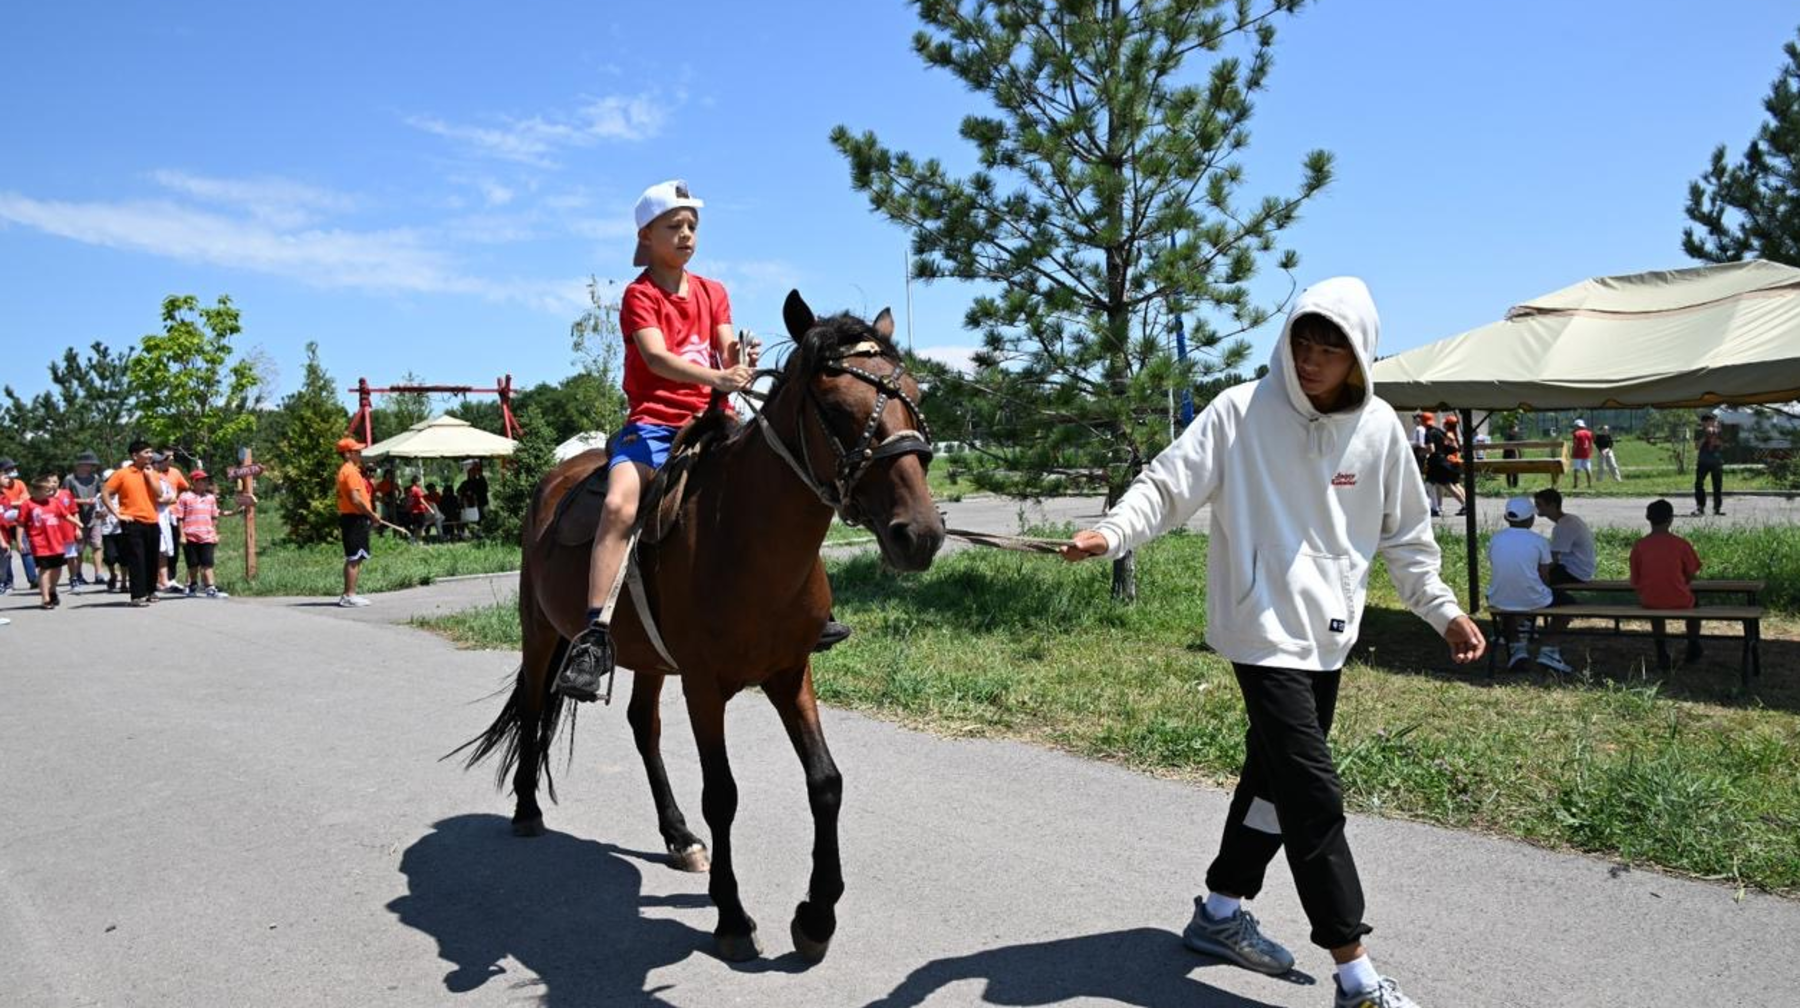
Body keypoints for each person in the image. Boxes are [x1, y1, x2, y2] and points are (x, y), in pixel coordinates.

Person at [1061, 277, 1485, 1008]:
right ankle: (1355, 975)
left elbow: (1407, 541)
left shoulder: (1380, 429)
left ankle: (1220, 910)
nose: (1313, 359)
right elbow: (1168, 485)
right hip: (1258, 629)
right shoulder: (1239, 411)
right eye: (1303, 342)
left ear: (1360, 357)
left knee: (1271, 784)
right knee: (1313, 794)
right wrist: (1113, 531)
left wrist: (1441, 610)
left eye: (1332, 348)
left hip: (1327, 634)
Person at [555, 179, 764, 702]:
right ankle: (593, 636)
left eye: (693, 225)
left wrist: (740, 361)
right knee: (620, 506)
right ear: (646, 236)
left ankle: (800, 609)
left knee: (772, 481)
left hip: (712, 422)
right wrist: (717, 378)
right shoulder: (639, 295)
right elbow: (655, 358)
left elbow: (725, 349)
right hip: (652, 427)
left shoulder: (714, 291)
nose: (687, 233)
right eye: (675, 226)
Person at [1485, 496, 1574, 673]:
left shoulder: (1495, 539)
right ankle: (1549, 650)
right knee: (1569, 605)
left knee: (1508, 607)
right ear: (1531, 519)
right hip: (1533, 599)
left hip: (1497, 597)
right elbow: (1544, 574)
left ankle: (1518, 649)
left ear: (1506, 518)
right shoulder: (1539, 541)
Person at [1629, 498, 1704, 669]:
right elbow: (1691, 573)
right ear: (1671, 519)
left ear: (1648, 518)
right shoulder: (1681, 544)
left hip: (1649, 600)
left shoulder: (1639, 546)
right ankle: (1693, 643)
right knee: (1695, 602)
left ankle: (1661, 650)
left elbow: (1636, 579)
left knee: (1656, 609)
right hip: (1679, 599)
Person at [102, 441, 165, 607]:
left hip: (152, 520)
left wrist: (150, 476)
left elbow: (159, 493)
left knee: (152, 558)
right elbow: (106, 492)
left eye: (151, 452)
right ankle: (137, 595)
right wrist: (117, 514)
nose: (150, 455)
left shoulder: (152, 472)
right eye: (146, 452)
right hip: (132, 521)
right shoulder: (122, 474)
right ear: (135, 455)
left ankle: (151, 590)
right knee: (137, 558)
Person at [18, 476, 82, 609]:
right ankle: (45, 598)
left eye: (51, 489)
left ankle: (52, 589)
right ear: (36, 490)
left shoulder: (54, 502)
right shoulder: (27, 504)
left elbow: (66, 515)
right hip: (39, 542)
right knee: (45, 569)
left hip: (56, 542)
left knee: (57, 568)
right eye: (46, 489)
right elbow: (20, 524)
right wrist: (20, 541)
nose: (50, 491)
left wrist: (77, 523)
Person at [176, 470, 237, 598]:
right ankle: (192, 585)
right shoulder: (185, 497)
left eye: (206, 480)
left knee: (208, 563)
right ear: (194, 482)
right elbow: (180, 517)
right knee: (192, 564)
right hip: (190, 535)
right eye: (202, 480)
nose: (205, 483)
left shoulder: (210, 498)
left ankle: (210, 587)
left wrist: (214, 533)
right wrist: (181, 535)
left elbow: (214, 517)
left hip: (206, 535)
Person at [335, 438, 380, 607]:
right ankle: (349, 595)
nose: (360, 454)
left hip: (352, 517)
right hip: (354, 518)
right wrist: (371, 515)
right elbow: (356, 499)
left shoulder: (348, 470)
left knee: (356, 556)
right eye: (357, 452)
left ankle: (349, 594)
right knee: (354, 557)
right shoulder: (351, 472)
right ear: (347, 454)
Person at [1533, 488, 1595, 587]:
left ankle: (1558, 600)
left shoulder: (1564, 526)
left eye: (1539, 505)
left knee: (1533, 579)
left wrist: (1535, 570)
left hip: (1575, 572)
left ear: (1553, 505)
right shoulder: (1569, 520)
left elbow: (1553, 559)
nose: (1535, 508)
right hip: (1578, 569)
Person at [152, 451, 190, 594]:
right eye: (160, 461)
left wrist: (168, 498)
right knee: (155, 551)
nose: (163, 463)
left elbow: (172, 497)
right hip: (152, 517)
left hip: (166, 517)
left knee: (165, 551)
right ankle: (154, 580)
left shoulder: (165, 478)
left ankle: (164, 580)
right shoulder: (149, 478)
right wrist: (167, 498)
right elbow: (160, 499)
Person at [64, 451, 104, 586]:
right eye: (88, 464)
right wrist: (82, 501)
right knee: (79, 547)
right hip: (77, 517)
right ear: (80, 465)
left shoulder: (96, 478)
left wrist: (100, 506)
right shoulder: (70, 479)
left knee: (97, 545)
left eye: (92, 465)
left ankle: (99, 574)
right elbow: (64, 499)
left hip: (94, 516)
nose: (90, 467)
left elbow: (101, 494)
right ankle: (78, 573)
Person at [0, 461, 38, 593]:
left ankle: (33, 579)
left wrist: (13, 504)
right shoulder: (1, 486)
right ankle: (8, 582)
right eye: (9, 469)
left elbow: (26, 500)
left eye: (14, 468)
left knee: (26, 550)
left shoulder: (19, 483)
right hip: (3, 525)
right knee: (6, 553)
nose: (13, 470)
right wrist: (16, 504)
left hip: (19, 523)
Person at [1423, 412, 1466, 517]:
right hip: (1447, 461)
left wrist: (1420, 452)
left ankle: (1465, 505)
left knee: (1449, 485)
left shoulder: (1430, 433)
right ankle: (1437, 507)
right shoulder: (1441, 432)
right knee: (1435, 484)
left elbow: (1432, 449)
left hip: (1440, 462)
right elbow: (1453, 447)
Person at [96, 467, 125, 592]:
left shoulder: (122, 495)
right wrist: (102, 514)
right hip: (107, 531)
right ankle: (113, 575)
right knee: (110, 557)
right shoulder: (100, 497)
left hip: (122, 529)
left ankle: (124, 582)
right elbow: (97, 515)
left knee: (124, 558)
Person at [1693, 413, 1725, 516]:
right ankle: (1700, 507)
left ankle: (1717, 508)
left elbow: (1722, 444)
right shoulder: (1699, 431)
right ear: (1704, 423)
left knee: (1717, 485)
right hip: (1703, 461)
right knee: (1699, 484)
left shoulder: (1719, 431)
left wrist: (1714, 436)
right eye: (1712, 421)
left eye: (1714, 421)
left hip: (1716, 461)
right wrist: (1705, 436)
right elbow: (1697, 446)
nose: (1714, 423)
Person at [1569, 419, 1594, 489]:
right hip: (1586, 453)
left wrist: (1572, 452)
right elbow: (1590, 444)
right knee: (1588, 469)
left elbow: (1575, 444)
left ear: (1577, 426)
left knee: (1576, 470)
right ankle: (1590, 485)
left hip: (1578, 453)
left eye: (1575, 426)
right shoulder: (1589, 433)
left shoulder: (1576, 433)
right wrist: (1590, 451)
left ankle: (1575, 485)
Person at [375, 468, 399, 537]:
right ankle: (380, 531)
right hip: (384, 503)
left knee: (394, 518)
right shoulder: (381, 483)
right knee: (385, 518)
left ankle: (396, 533)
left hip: (393, 503)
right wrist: (382, 499)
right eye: (388, 474)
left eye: (391, 474)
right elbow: (376, 494)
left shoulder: (394, 483)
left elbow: (399, 491)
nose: (390, 475)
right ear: (385, 475)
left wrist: (397, 497)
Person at [1501, 421, 1523, 489]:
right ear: (1512, 429)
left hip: (1513, 455)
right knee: (1509, 471)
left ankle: (1514, 485)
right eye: (1516, 427)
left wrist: (1519, 455)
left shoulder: (1515, 436)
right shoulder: (1509, 436)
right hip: (1509, 455)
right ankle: (1510, 485)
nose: (1517, 429)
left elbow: (1518, 447)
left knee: (1515, 471)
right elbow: (1511, 447)